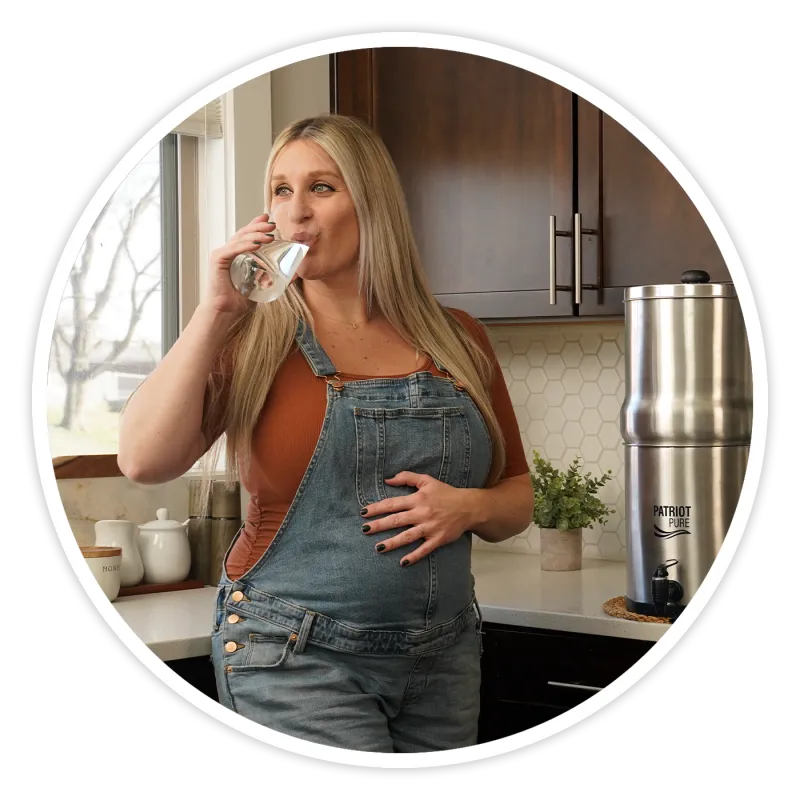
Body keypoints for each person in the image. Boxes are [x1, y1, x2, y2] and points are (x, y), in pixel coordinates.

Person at [118, 113, 534, 753]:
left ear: (373, 205)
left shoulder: (460, 338)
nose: (296, 213)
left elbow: (517, 499)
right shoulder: (249, 341)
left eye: (321, 188)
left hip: (444, 658)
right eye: (281, 191)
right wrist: (214, 310)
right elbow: (143, 460)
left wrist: (470, 507)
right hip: (292, 653)